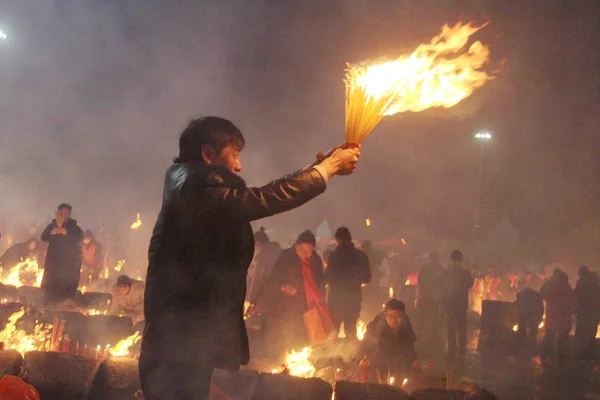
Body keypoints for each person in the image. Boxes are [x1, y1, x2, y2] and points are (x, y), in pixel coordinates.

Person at [139, 116, 360, 400]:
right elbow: (264, 199)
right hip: (178, 347)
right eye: (234, 154)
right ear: (208, 154)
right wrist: (326, 169)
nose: (239, 165)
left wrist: (317, 168)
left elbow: (259, 195)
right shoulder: (194, 192)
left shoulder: (192, 186)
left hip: (186, 342)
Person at [262, 230, 328, 358]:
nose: (307, 255)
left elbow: (319, 283)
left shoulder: (315, 260)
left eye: (310, 252)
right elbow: (273, 279)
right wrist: (283, 287)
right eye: (304, 251)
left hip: (307, 308)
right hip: (285, 308)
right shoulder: (285, 256)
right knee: (286, 339)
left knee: (303, 341)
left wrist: (317, 298)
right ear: (297, 246)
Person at [325, 227, 371, 339]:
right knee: (350, 329)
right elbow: (367, 279)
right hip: (353, 299)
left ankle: (331, 355)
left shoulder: (334, 256)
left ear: (337, 240)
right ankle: (351, 354)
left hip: (336, 300)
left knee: (333, 331)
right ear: (350, 239)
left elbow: (327, 278)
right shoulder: (361, 255)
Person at [361, 299, 418, 377]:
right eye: (391, 316)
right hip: (378, 368)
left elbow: (410, 347)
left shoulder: (406, 327)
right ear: (385, 316)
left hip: (399, 369)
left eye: (398, 316)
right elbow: (366, 347)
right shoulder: (376, 329)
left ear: (403, 315)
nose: (394, 320)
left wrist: (414, 360)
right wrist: (365, 357)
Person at [40, 204, 83, 305]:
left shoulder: (74, 228)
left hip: (68, 264)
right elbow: (43, 237)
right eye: (62, 212)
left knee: (64, 290)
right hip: (53, 263)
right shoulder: (51, 226)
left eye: (67, 212)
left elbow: (78, 240)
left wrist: (66, 233)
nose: (64, 214)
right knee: (50, 288)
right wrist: (52, 232)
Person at [441, 250, 474, 359]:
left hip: (449, 303)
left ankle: (452, 348)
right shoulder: (466, 273)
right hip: (461, 303)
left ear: (451, 259)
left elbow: (442, 285)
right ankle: (462, 349)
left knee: (451, 325)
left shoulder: (446, 272)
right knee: (461, 326)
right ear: (461, 260)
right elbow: (470, 283)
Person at [540, 269, 574, 361]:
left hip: (554, 314)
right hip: (562, 315)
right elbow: (573, 298)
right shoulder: (566, 286)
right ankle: (561, 357)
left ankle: (547, 355)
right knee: (561, 337)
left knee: (550, 336)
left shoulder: (550, 284)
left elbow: (542, 294)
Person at [246, 227, 282, 303]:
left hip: (266, 293)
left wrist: (252, 298)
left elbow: (258, 279)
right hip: (281, 291)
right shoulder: (279, 251)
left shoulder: (262, 257)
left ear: (257, 243)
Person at [417, 252, 444, 347]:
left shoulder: (425, 268)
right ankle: (432, 338)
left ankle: (420, 337)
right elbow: (442, 283)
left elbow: (420, 280)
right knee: (432, 317)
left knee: (423, 318)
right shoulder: (440, 268)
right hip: (433, 297)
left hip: (425, 297)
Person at [573, 266, 600, 358]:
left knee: (581, 332)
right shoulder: (596, 285)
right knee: (591, 332)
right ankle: (589, 352)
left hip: (584, 312)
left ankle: (581, 352)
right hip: (593, 312)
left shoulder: (581, 283)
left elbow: (576, 295)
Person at [514, 280, 544, 349]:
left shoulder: (521, 294)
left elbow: (517, 306)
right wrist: (540, 317)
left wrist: (517, 317)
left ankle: (522, 346)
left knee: (524, 330)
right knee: (532, 331)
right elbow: (540, 308)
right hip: (531, 316)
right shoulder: (537, 296)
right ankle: (530, 346)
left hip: (526, 316)